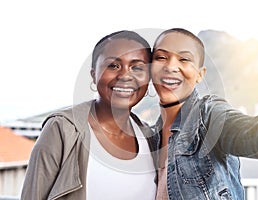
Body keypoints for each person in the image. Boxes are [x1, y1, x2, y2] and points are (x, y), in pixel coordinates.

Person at [150, 28, 258, 199]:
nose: (171, 66)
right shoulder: (149, 139)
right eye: (161, 57)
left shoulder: (208, 116)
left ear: (200, 75)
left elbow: (254, 135)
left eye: (184, 59)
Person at [21, 30, 157, 200]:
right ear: (93, 75)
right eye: (113, 65)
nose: (125, 76)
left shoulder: (150, 139)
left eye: (137, 67)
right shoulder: (63, 129)